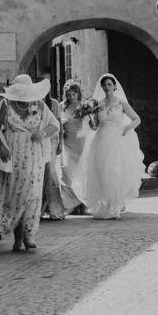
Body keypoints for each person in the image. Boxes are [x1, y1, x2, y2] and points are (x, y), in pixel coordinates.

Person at [0, 74, 60, 252]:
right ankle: (17, 237)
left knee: (32, 194)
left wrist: (42, 133)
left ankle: (28, 234)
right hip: (13, 155)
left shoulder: (39, 105)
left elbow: (55, 124)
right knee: (16, 195)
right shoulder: (6, 105)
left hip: (34, 155)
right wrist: (1, 146)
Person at [75, 73, 146, 220]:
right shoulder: (97, 104)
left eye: (109, 84)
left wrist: (126, 129)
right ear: (101, 87)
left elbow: (136, 119)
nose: (107, 87)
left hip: (116, 140)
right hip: (101, 139)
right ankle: (104, 204)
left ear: (114, 87)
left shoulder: (121, 103)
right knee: (101, 171)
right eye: (104, 85)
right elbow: (95, 127)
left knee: (114, 170)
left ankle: (114, 206)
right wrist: (91, 122)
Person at [57, 78, 92, 215]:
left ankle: (82, 204)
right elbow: (58, 122)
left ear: (78, 93)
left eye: (73, 94)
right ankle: (70, 203)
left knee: (81, 173)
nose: (71, 97)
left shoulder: (84, 106)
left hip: (80, 141)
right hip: (67, 141)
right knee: (66, 172)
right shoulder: (62, 106)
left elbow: (89, 123)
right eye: (69, 95)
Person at [38, 74, 66, 221]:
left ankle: (55, 208)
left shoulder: (53, 103)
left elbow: (59, 124)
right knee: (41, 174)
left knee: (50, 172)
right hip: (39, 141)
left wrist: (60, 142)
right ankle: (42, 207)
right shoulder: (34, 102)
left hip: (52, 140)